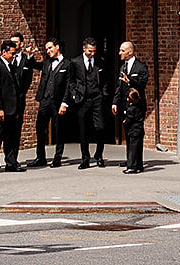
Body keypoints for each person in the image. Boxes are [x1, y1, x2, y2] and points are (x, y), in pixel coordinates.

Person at [62, 36, 107, 168]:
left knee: (100, 127)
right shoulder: (75, 62)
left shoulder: (100, 61)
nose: (92, 54)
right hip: (82, 100)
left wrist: (104, 93)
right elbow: (71, 81)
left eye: (94, 51)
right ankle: (85, 158)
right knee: (83, 130)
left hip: (97, 98)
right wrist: (75, 95)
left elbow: (104, 80)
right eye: (90, 51)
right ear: (84, 48)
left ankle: (99, 155)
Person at [111, 40, 149, 173]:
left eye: (122, 50)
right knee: (129, 134)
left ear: (130, 52)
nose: (119, 53)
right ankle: (133, 162)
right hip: (125, 106)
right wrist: (115, 102)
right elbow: (119, 87)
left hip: (137, 107)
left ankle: (133, 166)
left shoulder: (141, 67)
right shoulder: (123, 67)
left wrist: (130, 81)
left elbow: (142, 84)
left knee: (135, 134)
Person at [0, 39, 24, 173]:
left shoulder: (11, 66)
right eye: (12, 53)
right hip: (3, 110)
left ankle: (11, 163)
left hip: (13, 109)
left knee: (11, 138)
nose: (14, 56)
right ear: (4, 52)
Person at [32, 37, 68, 166]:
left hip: (58, 102)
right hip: (45, 100)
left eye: (50, 48)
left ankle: (57, 158)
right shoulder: (46, 63)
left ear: (57, 47)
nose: (48, 51)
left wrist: (65, 103)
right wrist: (31, 55)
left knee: (59, 130)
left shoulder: (67, 64)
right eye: (46, 49)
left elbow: (69, 85)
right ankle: (40, 157)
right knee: (40, 128)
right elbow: (34, 65)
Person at [10, 31, 39, 148]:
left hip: (20, 100)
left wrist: (21, 94)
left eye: (15, 42)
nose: (13, 45)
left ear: (21, 44)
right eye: (11, 43)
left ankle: (13, 160)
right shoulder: (7, 59)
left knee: (17, 129)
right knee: (3, 131)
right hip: (8, 101)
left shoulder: (26, 60)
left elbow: (28, 79)